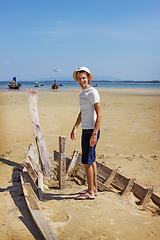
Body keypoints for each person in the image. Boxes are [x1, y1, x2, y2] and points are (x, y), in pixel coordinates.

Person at [70, 67, 102, 200]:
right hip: (86, 129)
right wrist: (75, 127)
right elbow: (82, 112)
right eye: (79, 78)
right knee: (91, 160)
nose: (82, 80)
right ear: (77, 79)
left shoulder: (93, 92)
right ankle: (93, 189)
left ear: (88, 77)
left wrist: (94, 133)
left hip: (91, 130)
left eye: (84, 77)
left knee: (86, 162)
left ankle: (90, 193)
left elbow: (99, 114)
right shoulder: (82, 93)